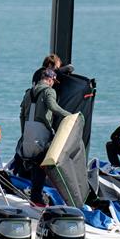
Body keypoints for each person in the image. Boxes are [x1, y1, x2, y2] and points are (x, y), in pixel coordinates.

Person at [19, 69, 71, 206]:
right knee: (43, 165)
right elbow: (53, 107)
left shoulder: (28, 93)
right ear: (50, 79)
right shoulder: (49, 91)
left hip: (28, 132)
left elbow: (22, 115)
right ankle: (38, 198)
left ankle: (35, 197)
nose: (53, 84)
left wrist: (24, 132)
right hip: (42, 132)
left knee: (36, 164)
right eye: (53, 81)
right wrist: (69, 115)